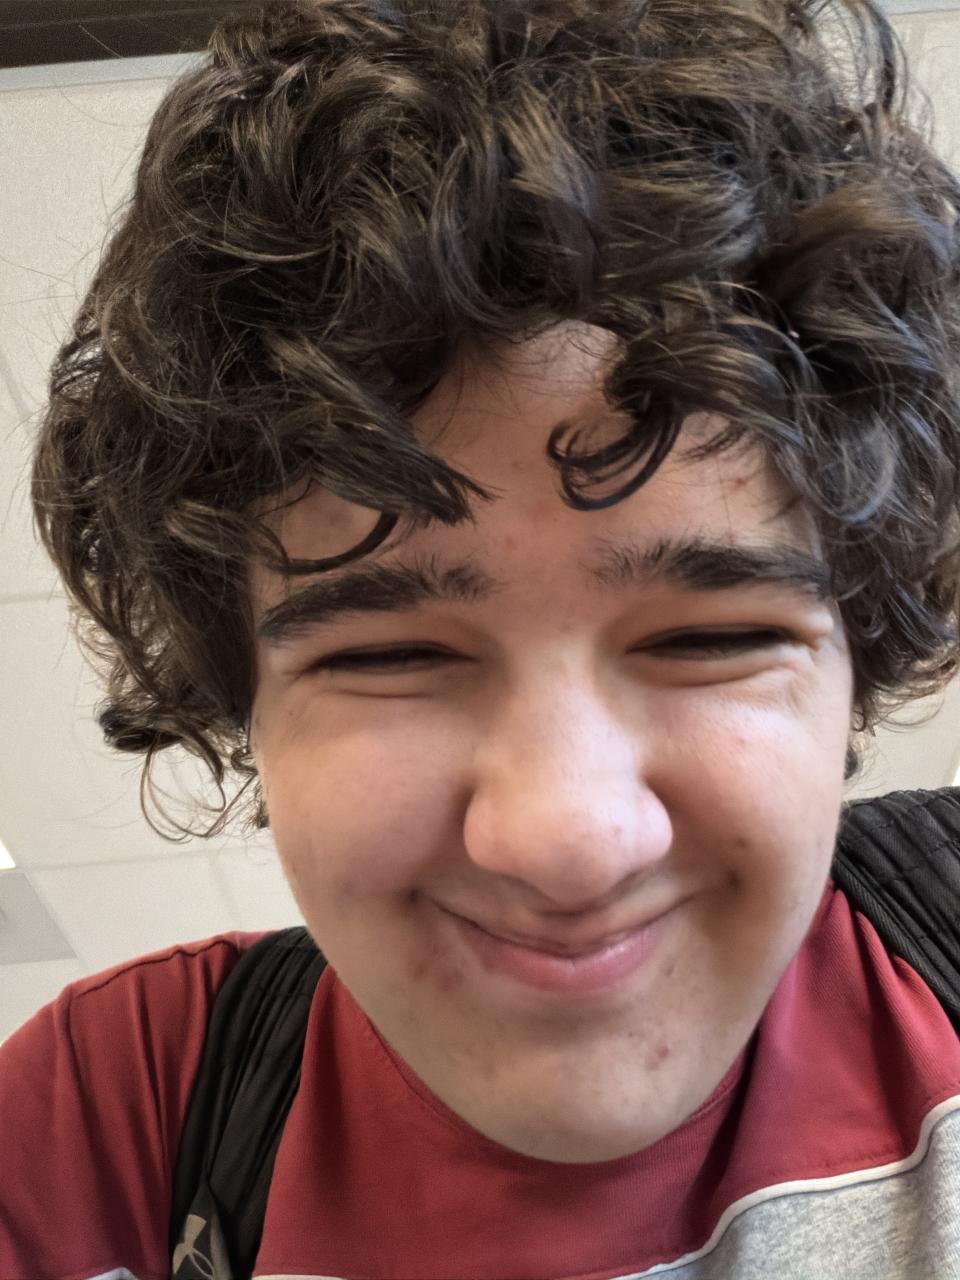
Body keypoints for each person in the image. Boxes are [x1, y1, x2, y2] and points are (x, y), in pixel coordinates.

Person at [4, 0, 960, 1275]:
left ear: (854, 669)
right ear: (249, 706)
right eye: (389, 654)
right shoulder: (102, 1115)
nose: (568, 840)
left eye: (711, 638)